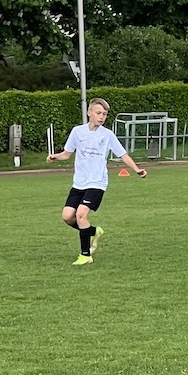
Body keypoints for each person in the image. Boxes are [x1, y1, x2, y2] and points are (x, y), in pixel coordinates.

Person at [46, 97, 148, 266]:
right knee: (67, 217)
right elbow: (67, 154)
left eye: (105, 114)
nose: (102, 117)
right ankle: (94, 231)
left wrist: (137, 169)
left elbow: (123, 155)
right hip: (79, 183)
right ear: (89, 112)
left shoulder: (107, 135)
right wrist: (55, 156)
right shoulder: (77, 132)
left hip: (97, 183)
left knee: (80, 214)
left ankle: (85, 255)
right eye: (99, 113)